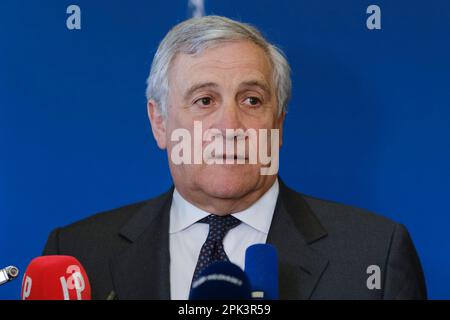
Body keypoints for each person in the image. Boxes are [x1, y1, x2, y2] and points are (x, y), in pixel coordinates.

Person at [43, 15, 426, 299]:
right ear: (159, 122)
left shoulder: (374, 254)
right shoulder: (77, 255)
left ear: (278, 124)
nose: (230, 126)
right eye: (204, 100)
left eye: (252, 100)